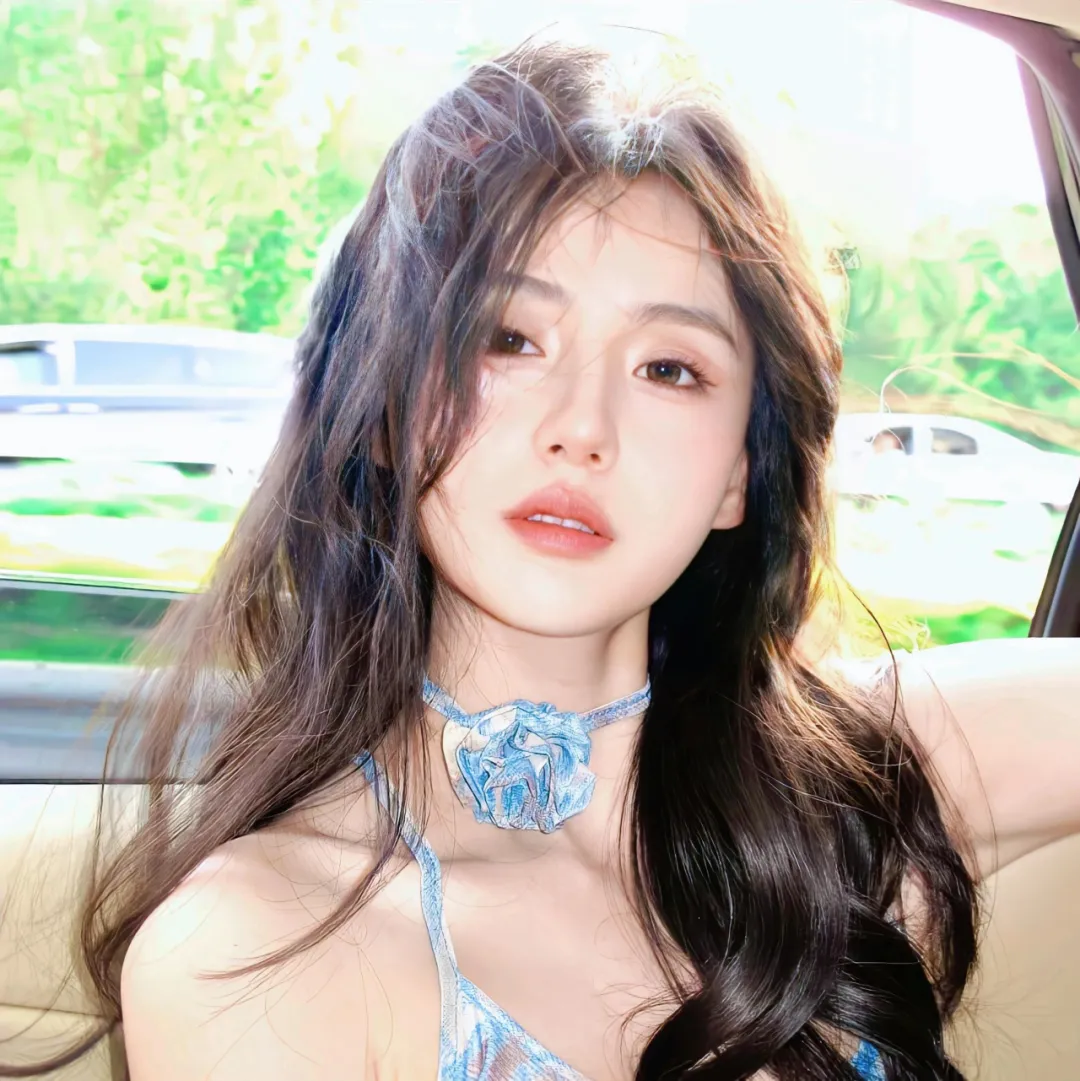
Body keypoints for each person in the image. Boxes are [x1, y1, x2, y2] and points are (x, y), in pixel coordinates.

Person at [9, 39, 1080, 1081]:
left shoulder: (861, 780)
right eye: (508, 339)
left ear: (738, 476)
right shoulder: (253, 948)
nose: (581, 427)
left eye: (670, 368)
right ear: (381, 407)